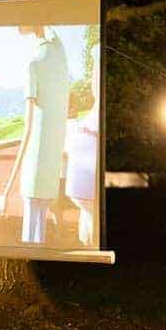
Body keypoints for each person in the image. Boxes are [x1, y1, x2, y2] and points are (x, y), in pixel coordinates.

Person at [0, 24, 71, 244]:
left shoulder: (33, 64)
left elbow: (28, 130)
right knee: (40, 234)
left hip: (35, 168)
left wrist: (5, 194)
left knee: (30, 238)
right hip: (51, 168)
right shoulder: (59, 54)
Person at [64, 43, 100, 246]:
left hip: (84, 177)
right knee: (88, 216)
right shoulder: (93, 112)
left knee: (89, 217)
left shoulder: (95, 111)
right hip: (83, 177)